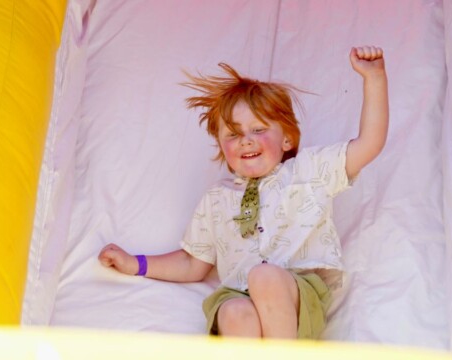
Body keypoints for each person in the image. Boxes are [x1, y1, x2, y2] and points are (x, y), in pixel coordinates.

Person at [98, 46, 388, 339]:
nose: (246, 141)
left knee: (264, 277)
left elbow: (369, 145)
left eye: (258, 129)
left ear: (287, 138)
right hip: (238, 293)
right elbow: (192, 263)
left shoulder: (309, 171)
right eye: (233, 134)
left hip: (296, 297)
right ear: (222, 146)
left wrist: (374, 79)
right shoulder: (217, 199)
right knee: (234, 310)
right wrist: (136, 263)